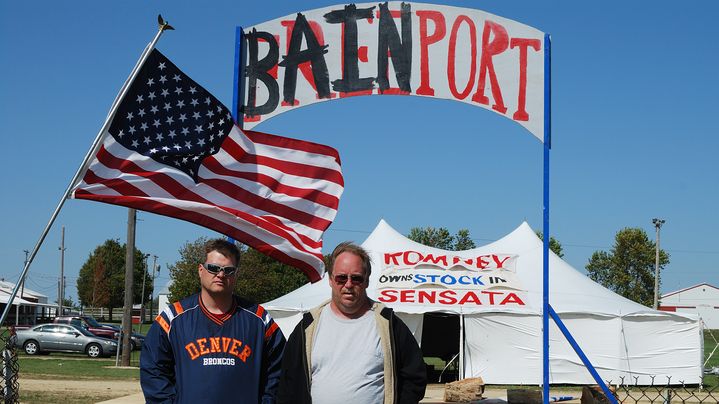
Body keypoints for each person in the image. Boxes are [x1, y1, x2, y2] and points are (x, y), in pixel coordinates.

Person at [277, 242, 427, 404]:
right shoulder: (308, 326)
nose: (348, 284)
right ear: (330, 280)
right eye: (341, 278)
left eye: (356, 278)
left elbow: (415, 377)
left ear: (367, 281)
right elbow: (287, 384)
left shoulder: (388, 324)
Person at [141, 238, 285, 403]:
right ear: (201, 270)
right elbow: (153, 370)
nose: (221, 274)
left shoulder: (260, 319)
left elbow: (279, 371)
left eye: (228, 270)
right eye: (214, 268)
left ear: (236, 274)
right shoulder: (172, 318)